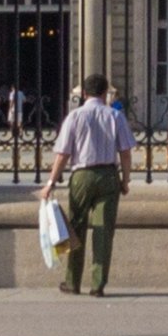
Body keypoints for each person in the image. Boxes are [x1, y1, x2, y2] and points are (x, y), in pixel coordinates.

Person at [50, 73, 131, 296]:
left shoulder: (75, 117)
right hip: (107, 174)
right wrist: (125, 180)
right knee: (103, 231)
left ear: (84, 93)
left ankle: (72, 281)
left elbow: (63, 153)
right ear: (106, 93)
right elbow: (125, 152)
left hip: (81, 176)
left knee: (76, 228)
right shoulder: (115, 116)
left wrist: (51, 181)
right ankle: (98, 284)